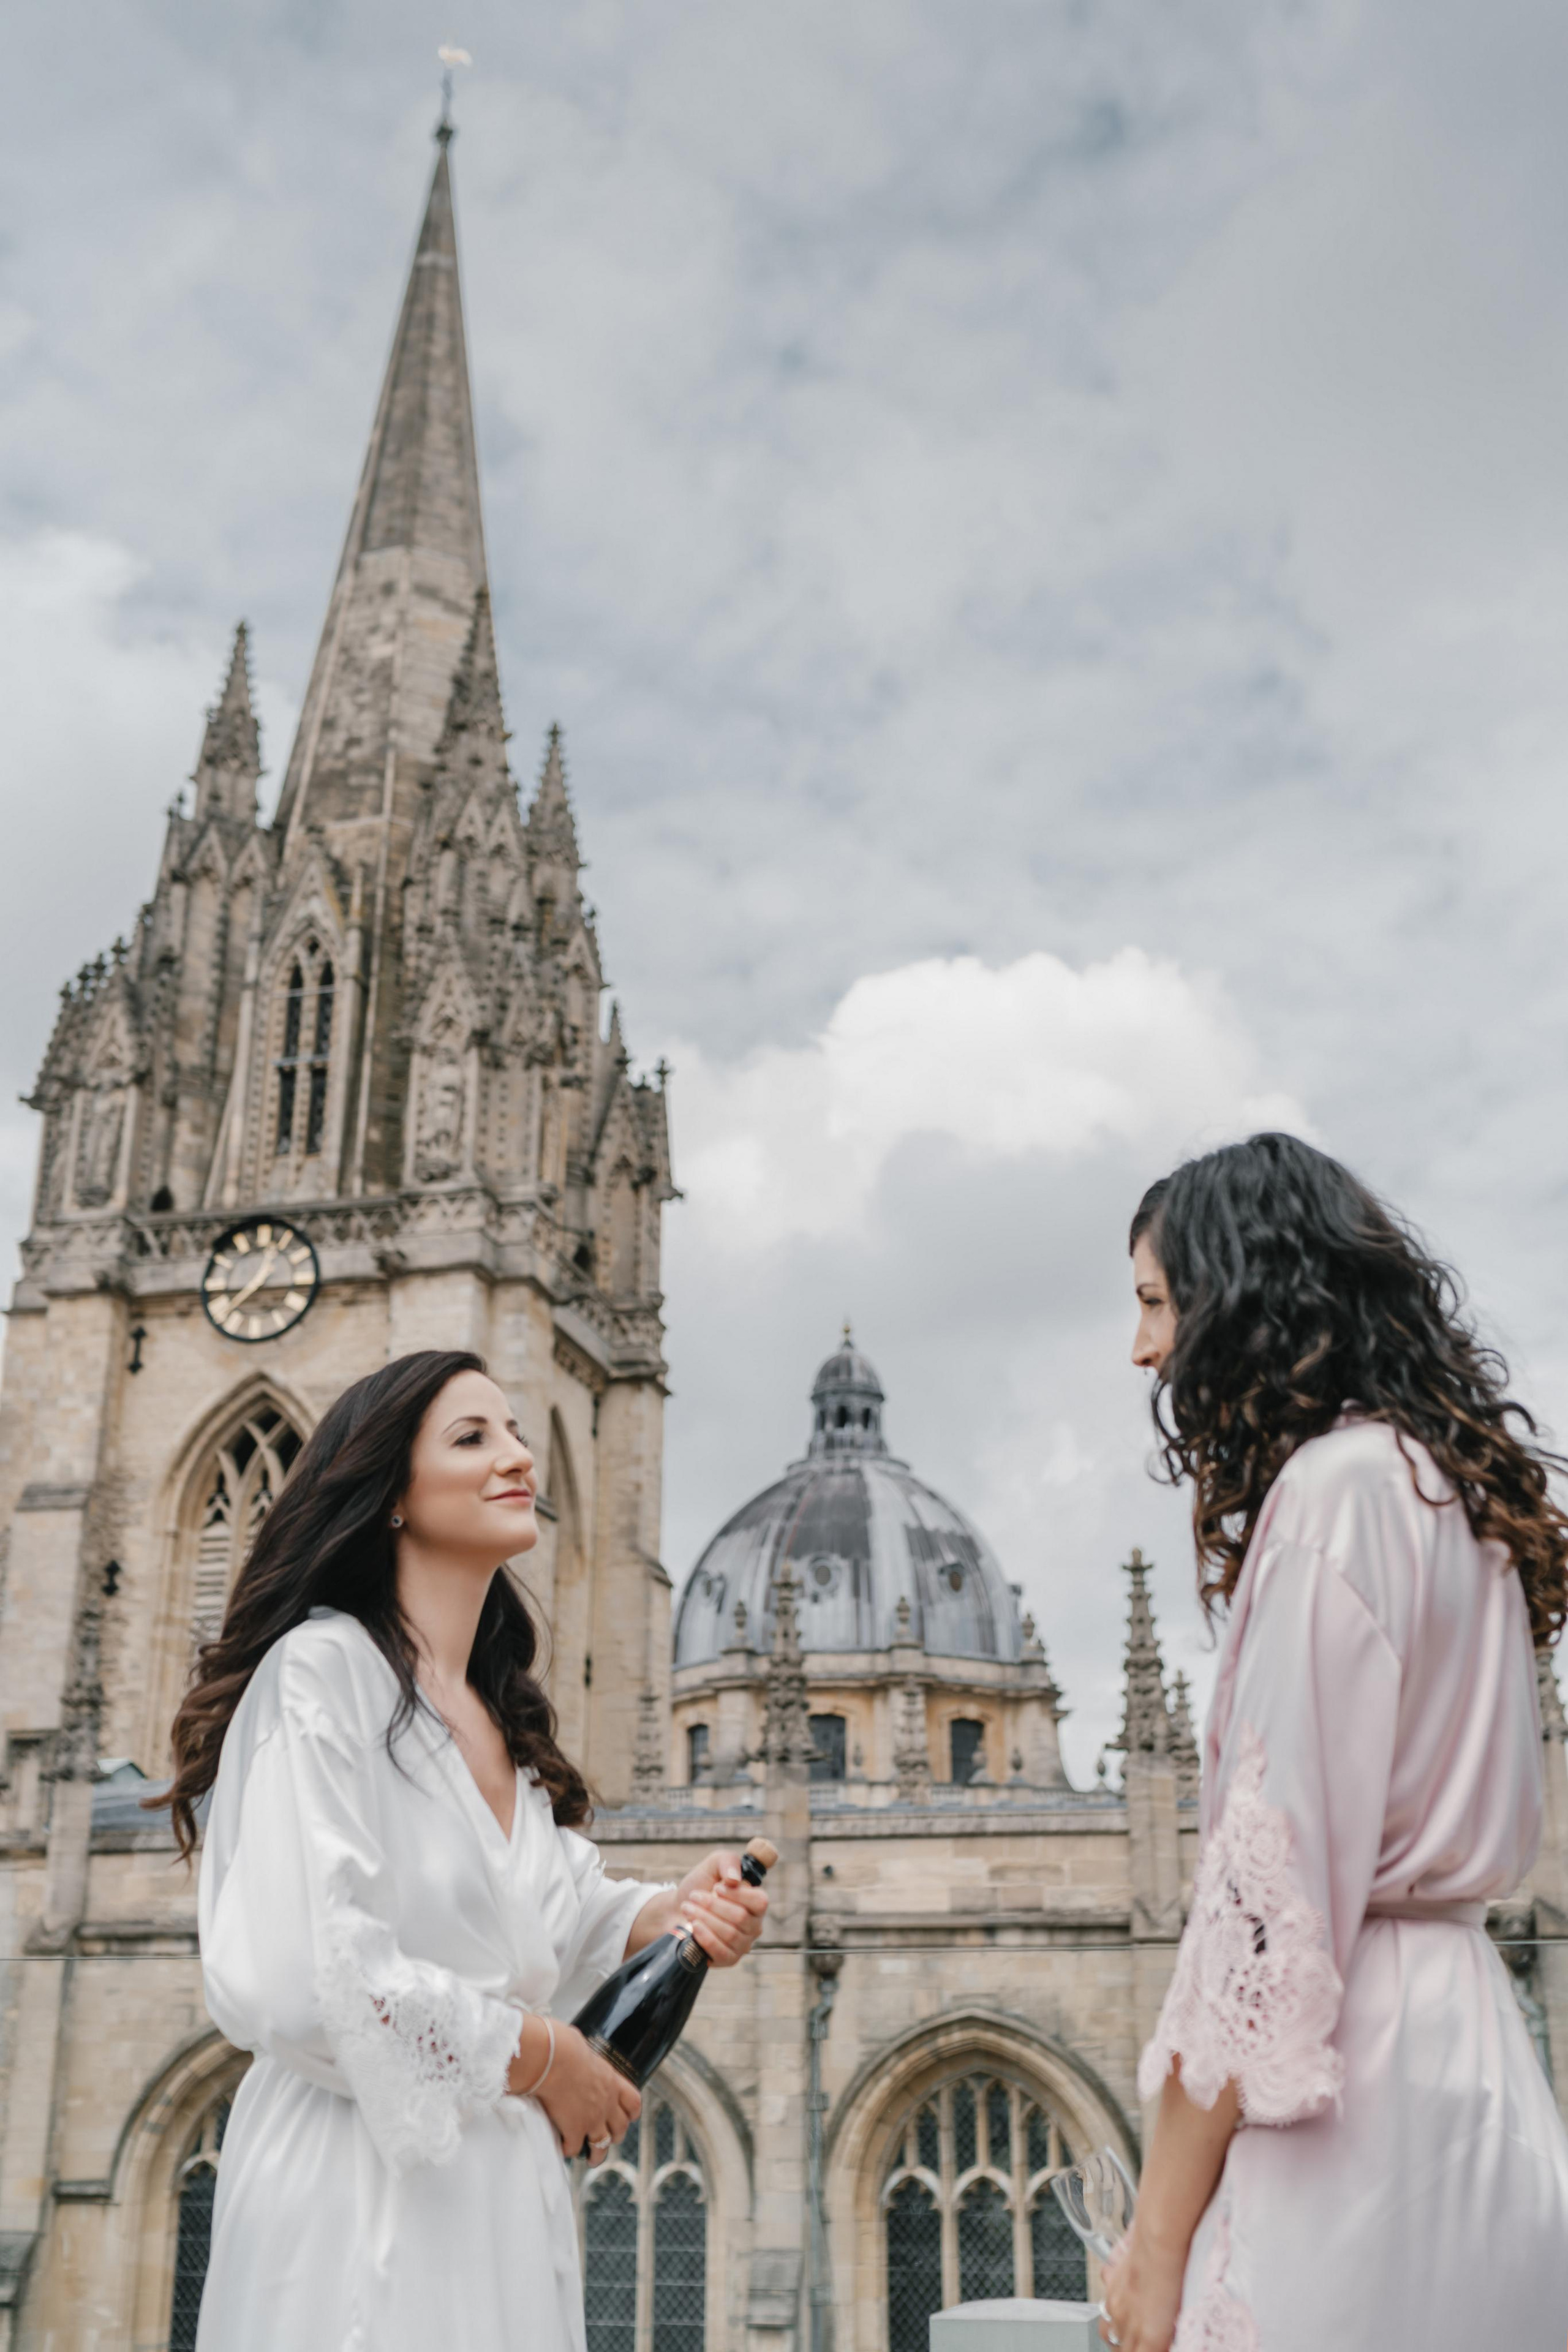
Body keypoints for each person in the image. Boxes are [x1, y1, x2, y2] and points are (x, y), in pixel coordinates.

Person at [157, 1349, 766, 2352]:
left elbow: (544, 1919)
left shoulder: (495, 1711)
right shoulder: (321, 1676)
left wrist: (669, 1915)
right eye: (472, 1437)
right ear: (389, 1491)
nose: (518, 1455)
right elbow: (305, 1980)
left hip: (497, 2199)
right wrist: (542, 2058)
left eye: (517, 1432)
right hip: (355, 2194)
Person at [1105, 1134, 1568, 2352]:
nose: (1140, 1348)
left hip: (1349, 2121)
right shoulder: (1451, 1493)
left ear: (1238, 1299)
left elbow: (1264, 1911)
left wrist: (1153, 2251)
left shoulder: (1332, 1496)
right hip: (1476, 2074)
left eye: (1155, 1303)